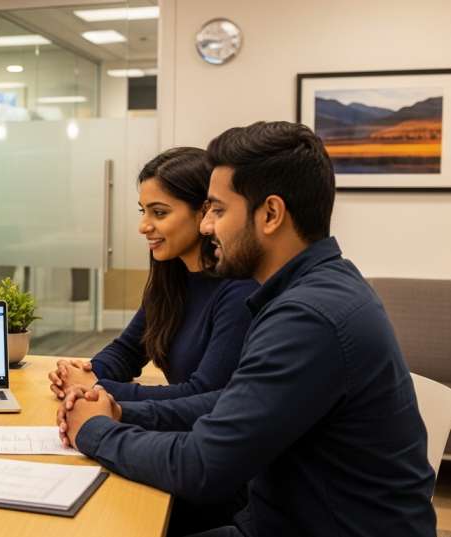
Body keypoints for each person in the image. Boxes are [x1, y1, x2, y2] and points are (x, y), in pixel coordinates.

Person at [58, 121, 436, 537]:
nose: (206, 226)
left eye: (218, 210)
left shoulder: (308, 316)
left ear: (270, 214)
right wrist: (122, 410)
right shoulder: (310, 290)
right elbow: (230, 403)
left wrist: (94, 430)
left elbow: (203, 466)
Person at [48, 147, 257, 402]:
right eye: (143, 211)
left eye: (159, 213)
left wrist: (97, 388)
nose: (143, 226)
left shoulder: (240, 291)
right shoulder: (172, 276)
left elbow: (203, 395)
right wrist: (85, 373)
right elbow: (128, 351)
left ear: (204, 212)